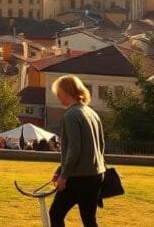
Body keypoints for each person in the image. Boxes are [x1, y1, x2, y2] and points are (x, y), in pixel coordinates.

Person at [50, 74, 106, 227]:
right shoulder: (92, 113)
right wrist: (60, 169)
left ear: (67, 92)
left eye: (59, 92)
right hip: (96, 174)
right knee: (89, 220)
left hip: (78, 177)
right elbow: (100, 146)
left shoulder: (71, 115)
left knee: (55, 214)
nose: (57, 96)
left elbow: (74, 149)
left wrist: (64, 175)